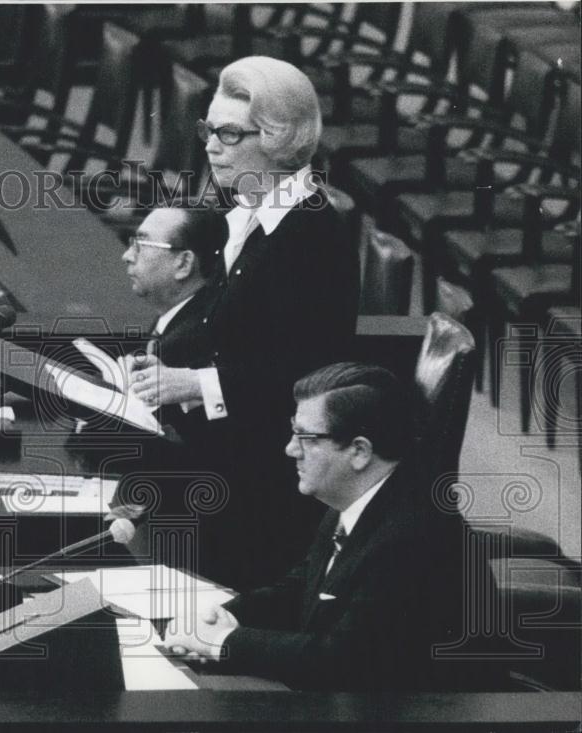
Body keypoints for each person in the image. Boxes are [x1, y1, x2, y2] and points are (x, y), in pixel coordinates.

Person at [130, 56, 360, 589]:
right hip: (231, 456)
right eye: (209, 130)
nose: (211, 145)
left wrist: (195, 383)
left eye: (229, 134)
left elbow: (309, 373)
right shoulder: (252, 217)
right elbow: (232, 330)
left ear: (278, 139)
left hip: (261, 487)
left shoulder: (310, 238)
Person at [162, 363, 503, 692]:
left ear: (358, 451)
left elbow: (343, 661)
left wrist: (223, 641)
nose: (290, 449)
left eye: (306, 438)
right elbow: (302, 588)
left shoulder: (411, 537)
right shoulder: (356, 497)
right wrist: (220, 615)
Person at [121, 206, 225, 442]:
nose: (127, 255)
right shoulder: (174, 320)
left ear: (184, 263)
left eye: (142, 245)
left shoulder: (191, 342)